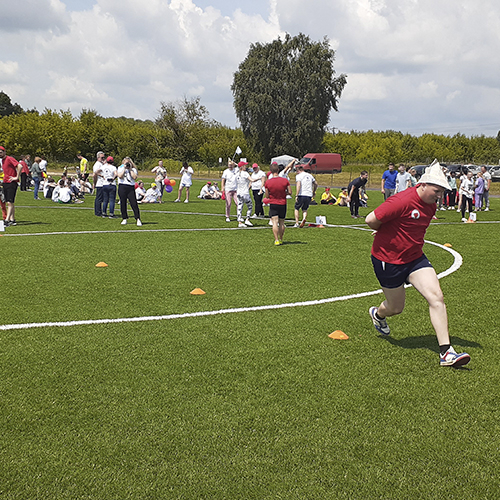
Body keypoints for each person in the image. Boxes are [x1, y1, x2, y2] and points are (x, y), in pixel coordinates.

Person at [365, 160, 470, 367]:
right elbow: (370, 219)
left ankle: (446, 352)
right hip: (388, 260)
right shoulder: (401, 200)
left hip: (415, 258)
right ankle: (378, 314)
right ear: (423, 184)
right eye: (436, 191)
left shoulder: (431, 205)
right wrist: (384, 231)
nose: (439, 196)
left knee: (436, 296)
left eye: (442, 192)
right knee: (395, 308)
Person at [264, 162, 291, 245]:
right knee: (282, 222)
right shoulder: (285, 180)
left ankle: (276, 240)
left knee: (275, 222)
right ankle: (281, 238)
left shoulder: (268, 182)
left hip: (273, 203)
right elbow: (290, 192)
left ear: (270, 171)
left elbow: (267, 195)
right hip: (282, 203)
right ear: (278, 170)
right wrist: (284, 193)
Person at [0, 146, 22, 226]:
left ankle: (7, 219)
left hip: (11, 182)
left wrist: (16, 177)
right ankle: (12, 219)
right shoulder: (2, 160)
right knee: (9, 202)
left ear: (4, 152)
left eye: (1, 152)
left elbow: (20, 166)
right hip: (5, 182)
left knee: (10, 202)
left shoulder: (9, 159)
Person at [117, 157, 142, 226]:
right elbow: (120, 176)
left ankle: (138, 218)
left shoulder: (133, 169)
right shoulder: (120, 168)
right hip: (122, 186)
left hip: (130, 187)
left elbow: (134, 177)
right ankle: (124, 218)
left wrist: (130, 169)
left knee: (134, 203)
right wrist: (124, 169)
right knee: (123, 203)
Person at [235, 161, 254, 227]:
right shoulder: (245, 173)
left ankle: (239, 222)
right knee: (250, 206)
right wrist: (259, 178)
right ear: (242, 167)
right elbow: (252, 180)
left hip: (239, 192)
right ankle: (247, 219)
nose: (246, 167)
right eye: (245, 166)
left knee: (239, 207)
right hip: (245, 193)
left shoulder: (237, 173)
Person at [92, 151, 106, 217]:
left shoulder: (101, 164)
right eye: (102, 158)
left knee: (102, 198)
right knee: (99, 198)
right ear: (98, 158)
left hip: (102, 183)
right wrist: (94, 183)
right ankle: (98, 212)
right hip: (99, 183)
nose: (103, 159)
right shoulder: (97, 165)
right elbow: (95, 174)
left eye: (104, 157)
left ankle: (100, 211)